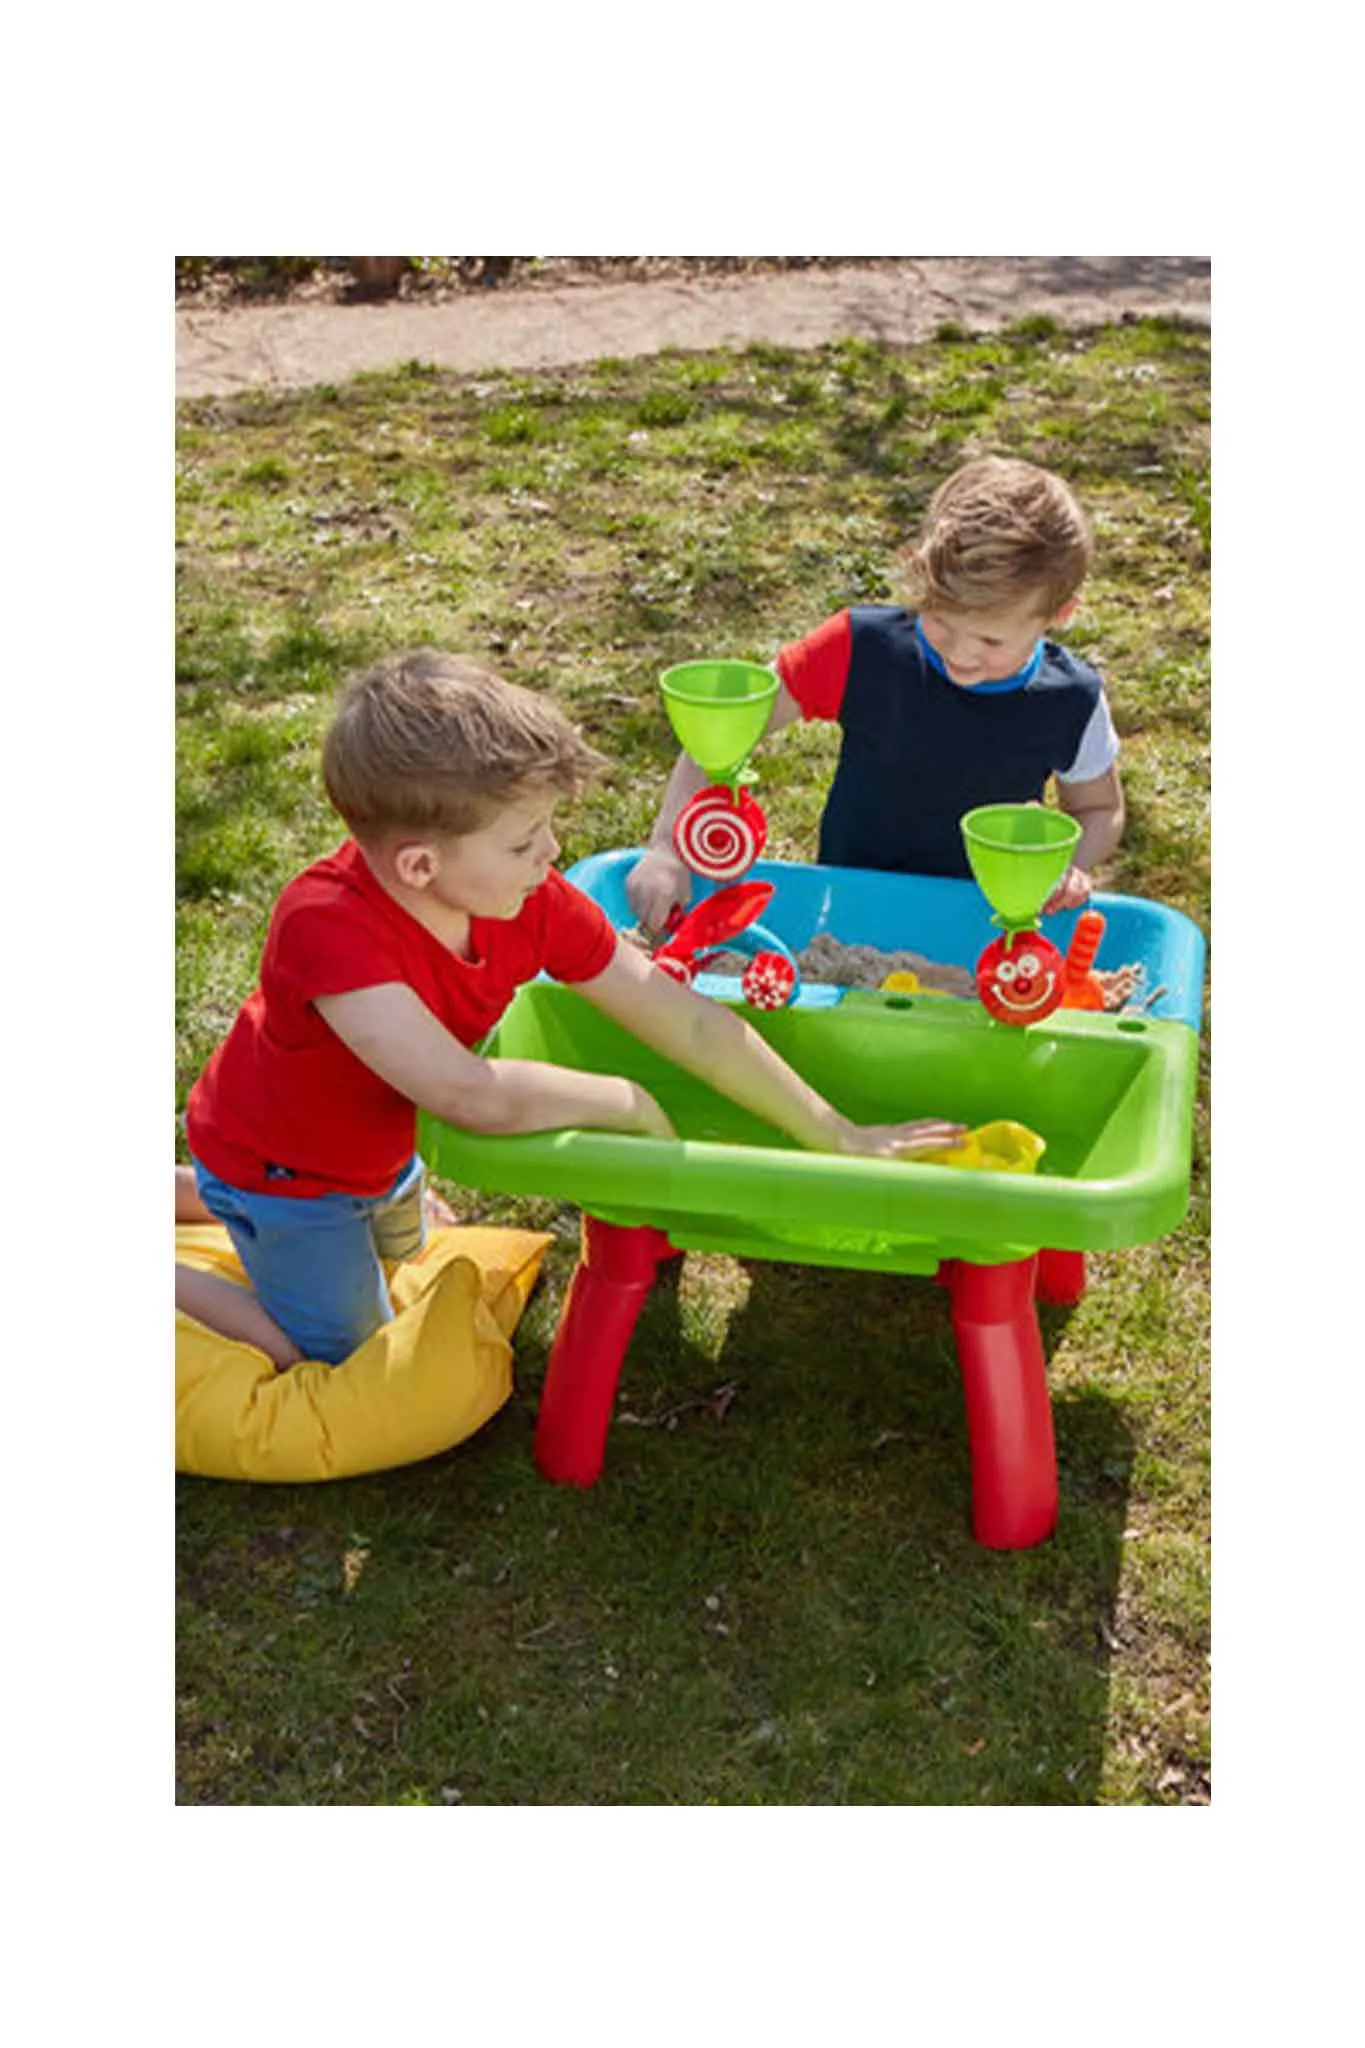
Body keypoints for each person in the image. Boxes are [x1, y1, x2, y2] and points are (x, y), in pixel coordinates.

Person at [179, 649, 965, 1369]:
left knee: (404, 1237)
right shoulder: (327, 927)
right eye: (525, 842)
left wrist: (834, 1132)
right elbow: (464, 1093)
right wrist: (624, 1100)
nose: (552, 854)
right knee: (331, 1356)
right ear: (420, 865)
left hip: (379, 1149)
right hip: (285, 1170)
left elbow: (686, 1018)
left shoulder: (531, 902)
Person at [626, 456, 1126, 937]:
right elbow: (723, 729)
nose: (962, 654)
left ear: (1059, 614)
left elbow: (1099, 811)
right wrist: (669, 846)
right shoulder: (859, 649)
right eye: (942, 621)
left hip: (984, 929)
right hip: (850, 918)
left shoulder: (1072, 700)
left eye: (991, 641)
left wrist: (1065, 866)